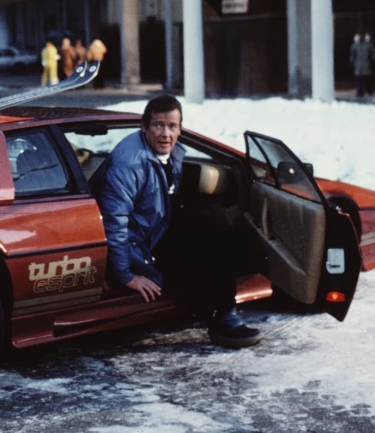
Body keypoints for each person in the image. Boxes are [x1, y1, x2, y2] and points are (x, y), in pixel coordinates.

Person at [89, 94, 262, 348]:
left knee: (220, 227)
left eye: (172, 126)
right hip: (140, 248)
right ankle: (223, 318)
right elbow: (114, 224)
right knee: (216, 242)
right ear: (144, 127)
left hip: (155, 230)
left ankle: (212, 303)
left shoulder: (172, 153)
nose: (165, 134)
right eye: (158, 125)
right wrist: (126, 275)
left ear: (180, 129)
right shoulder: (129, 163)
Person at [349, 32, 375, 98]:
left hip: (358, 66)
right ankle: (369, 91)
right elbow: (374, 56)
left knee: (359, 80)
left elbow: (352, 57)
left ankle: (360, 91)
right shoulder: (370, 45)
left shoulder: (354, 46)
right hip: (367, 66)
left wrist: (353, 63)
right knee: (368, 79)